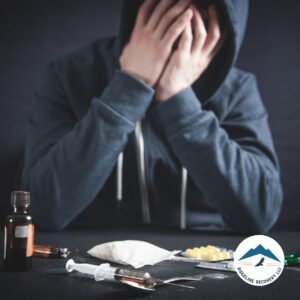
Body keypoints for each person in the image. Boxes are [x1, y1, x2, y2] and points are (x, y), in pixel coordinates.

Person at [22, 0, 283, 233]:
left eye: (202, 6)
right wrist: (130, 85)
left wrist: (179, 99)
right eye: (171, 4)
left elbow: (259, 213)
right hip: (90, 255)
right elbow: (43, 210)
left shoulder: (237, 89)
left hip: (201, 257)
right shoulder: (69, 74)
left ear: (224, 28)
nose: (184, 18)